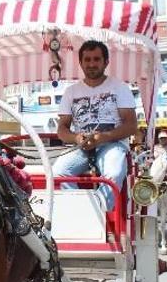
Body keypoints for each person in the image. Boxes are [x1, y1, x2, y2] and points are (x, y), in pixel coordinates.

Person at [53, 40, 138, 210]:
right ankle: (81, 211)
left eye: (96, 59)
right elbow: (62, 129)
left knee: (113, 174)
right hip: (82, 146)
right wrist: (76, 137)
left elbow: (131, 125)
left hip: (113, 145)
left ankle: (98, 213)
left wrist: (103, 137)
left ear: (106, 62)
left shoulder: (119, 88)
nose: (92, 64)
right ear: (81, 63)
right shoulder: (71, 92)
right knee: (57, 172)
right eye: (87, 60)